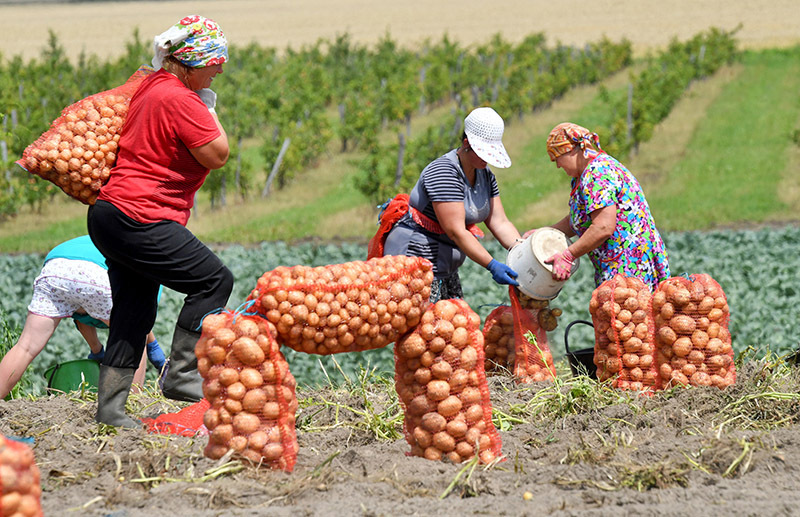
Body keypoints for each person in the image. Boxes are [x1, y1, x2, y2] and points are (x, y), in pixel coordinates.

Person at [86, 15, 234, 427]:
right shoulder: (180, 98)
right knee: (213, 280)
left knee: (134, 311)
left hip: (110, 214)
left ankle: (112, 410)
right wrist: (208, 107)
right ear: (191, 61)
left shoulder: (154, 85)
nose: (221, 68)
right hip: (140, 215)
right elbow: (218, 154)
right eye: (215, 60)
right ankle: (182, 374)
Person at [381, 107, 522, 302]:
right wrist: (492, 265)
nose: (487, 159)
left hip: (446, 264)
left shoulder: (485, 175)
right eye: (483, 152)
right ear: (466, 143)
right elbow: (456, 231)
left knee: (451, 326)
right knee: (422, 325)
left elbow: (500, 222)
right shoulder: (444, 172)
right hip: (415, 258)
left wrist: (522, 251)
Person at [0, 235, 165, 400]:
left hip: (55, 269)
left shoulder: (111, 235)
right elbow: (141, 320)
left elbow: (81, 312)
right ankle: (132, 405)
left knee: (26, 347)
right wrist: (154, 351)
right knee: (134, 339)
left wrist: (97, 350)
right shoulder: (150, 263)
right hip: (97, 272)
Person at [540, 122, 670, 291]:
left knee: (630, 314)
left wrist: (568, 255)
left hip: (629, 269)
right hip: (615, 268)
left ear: (570, 150)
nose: (558, 165)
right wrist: (542, 234)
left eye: (557, 158)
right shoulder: (585, 174)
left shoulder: (597, 173)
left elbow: (603, 226)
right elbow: (577, 220)